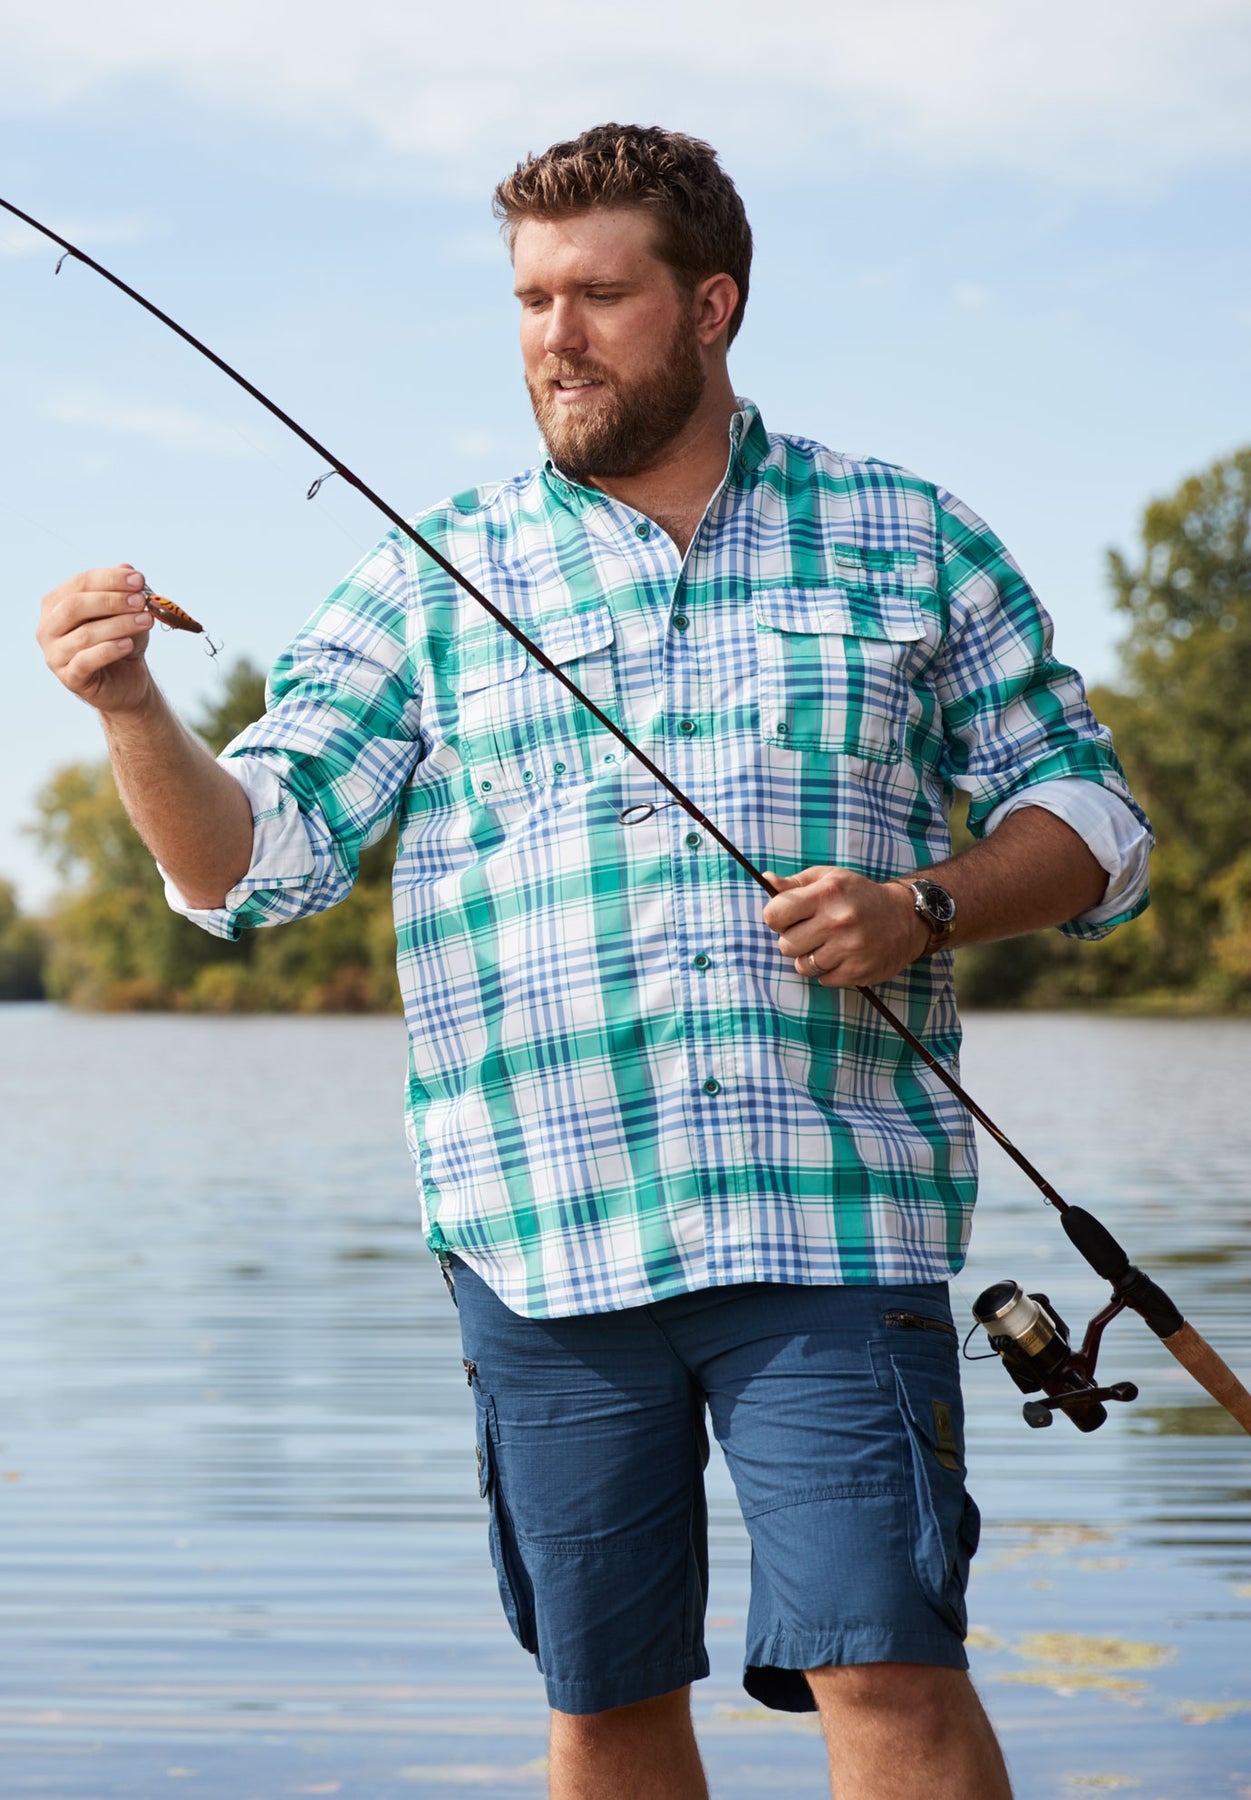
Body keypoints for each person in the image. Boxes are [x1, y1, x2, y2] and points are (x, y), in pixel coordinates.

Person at [37, 123, 1150, 1800]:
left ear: (710, 305)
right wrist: (131, 709)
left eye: (601, 295)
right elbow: (250, 868)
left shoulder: (910, 533)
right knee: (608, 1708)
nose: (556, 336)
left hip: (829, 1224)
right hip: (536, 1242)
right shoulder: (431, 574)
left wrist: (922, 906)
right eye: (531, 299)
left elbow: (1096, 821)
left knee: (891, 1678)